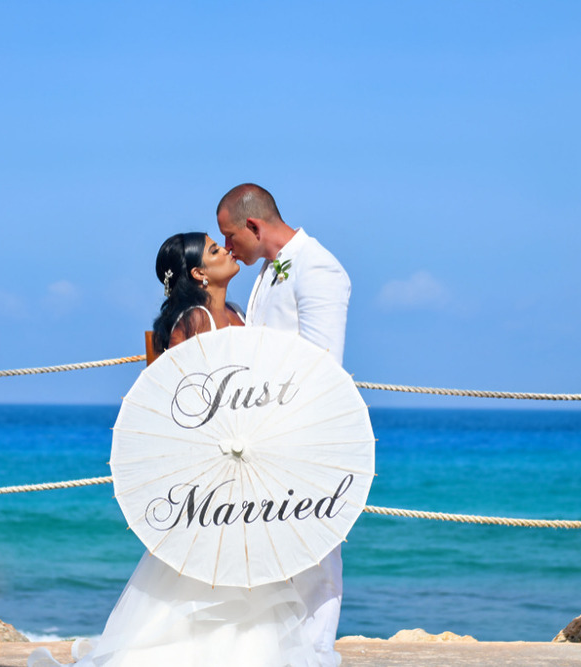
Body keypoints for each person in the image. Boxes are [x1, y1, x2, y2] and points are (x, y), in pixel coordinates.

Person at [32, 232, 334, 667]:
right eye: (215, 250)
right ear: (198, 273)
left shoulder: (237, 313)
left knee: (249, 556)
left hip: (244, 458)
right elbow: (182, 400)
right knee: (214, 560)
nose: (227, 251)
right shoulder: (192, 322)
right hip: (212, 461)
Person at [217, 183, 351, 663]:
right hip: (264, 435)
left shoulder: (317, 268)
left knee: (314, 550)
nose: (229, 248)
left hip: (306, 433)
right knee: (272, 547)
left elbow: (322, 364)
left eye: (231, 237)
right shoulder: (268, 272)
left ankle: (314, 651)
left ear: (254, 225)